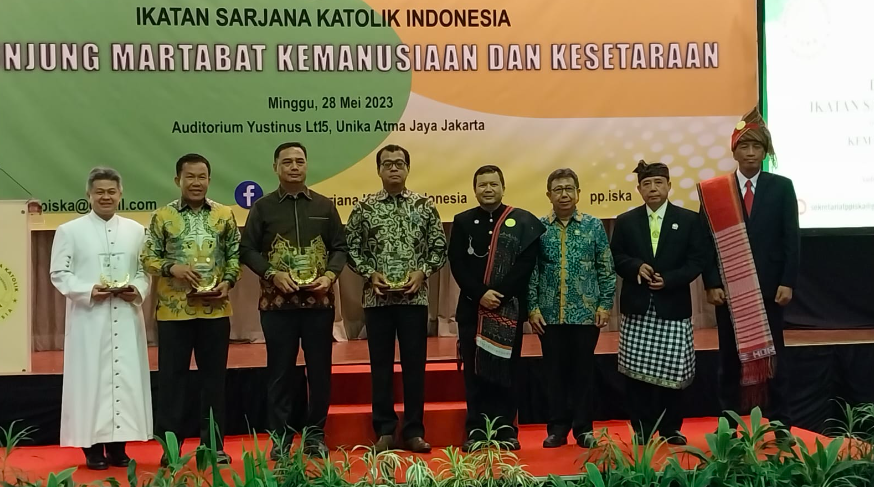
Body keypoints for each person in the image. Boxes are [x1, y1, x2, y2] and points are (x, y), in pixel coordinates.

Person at [698, 108, 800, 443]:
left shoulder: (782, 187)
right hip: (730, 291)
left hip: (770, 290)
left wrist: (788, 281)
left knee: (774, 357)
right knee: (728, 358)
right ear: (734, 151)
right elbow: (705, 244)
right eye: (745, 147)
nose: (751, 153)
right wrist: (711, 283)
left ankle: (780, 421)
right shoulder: (716, 193)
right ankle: (727, 421)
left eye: (757, 147)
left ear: (766, 151)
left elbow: (791, 239)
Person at [240, 142, 348, 459]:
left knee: (319, 372)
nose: (294, 166)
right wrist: (272, 274)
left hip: (318, 304)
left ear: (307, 165)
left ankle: (315, 435)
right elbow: (247, 249)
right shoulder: (263, 207)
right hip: (278, 306)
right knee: (279, 373)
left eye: (299, 161)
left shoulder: (325, 206)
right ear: (276, 167)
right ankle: (281, 438)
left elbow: (340, 248)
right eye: (287, 161)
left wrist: (329, 276)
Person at [345, 144, 447, 453]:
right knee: (381, 367)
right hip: (377, 301)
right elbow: (350, 248)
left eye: (399, 163)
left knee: (415, 367)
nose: (393, 168)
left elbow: (438, 247)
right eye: (387, 164)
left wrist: (423, 272)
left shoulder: (424, 206)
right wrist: (368, 273)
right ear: (378, 170)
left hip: (414, 301)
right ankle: (385, 430)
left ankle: (414, 431)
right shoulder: (364, 208)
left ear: (407, 168)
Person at [49, 167, 152, 470]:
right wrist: (89, 290)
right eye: (100, 192)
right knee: (90, 381)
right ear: (89, 195)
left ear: (121, 194)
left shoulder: (136, 230)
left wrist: (138, 289)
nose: (105, 197)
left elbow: (145, 271)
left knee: (126, 380)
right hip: (89, 319)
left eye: (111, 191)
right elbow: (59, 273)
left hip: (126, 313)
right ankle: (91, 449)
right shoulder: (70, 231)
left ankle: (119, 449)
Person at [141, 153, 241, 465]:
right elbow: (147, 257)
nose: (196, 183)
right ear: (177, 180)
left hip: (216, 310)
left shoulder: (224, 215)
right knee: (172, 382)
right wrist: (172, 268)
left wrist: (228, 282)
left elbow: (234, 256)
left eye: (202, 177)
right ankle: (171, 449)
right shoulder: (162, 217)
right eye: (190, 177)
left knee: (214, 381)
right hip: (174, 312)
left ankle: (214, 447)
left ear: (209, 180)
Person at [610, 161, 709, 445]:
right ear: (639, 189)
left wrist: (671, 279)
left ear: (669, 185)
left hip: (673, 304)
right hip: (638, 306)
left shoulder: (688, 220)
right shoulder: (627, 221)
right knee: (636, 375)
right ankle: (641, 428)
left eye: (658, 183)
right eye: (647, 184)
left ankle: (670, 428)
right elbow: (616, 256)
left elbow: (697, 260)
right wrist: (635, 267)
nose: (653, 189)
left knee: (672, 372)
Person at [448, 165, 545, 452]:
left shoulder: (522, 221)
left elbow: (526, 264)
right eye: (482, 185)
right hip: (472, 310)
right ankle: (477, 430)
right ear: (474, 189)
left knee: (507, 371)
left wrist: (500, 296)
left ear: (503, 187)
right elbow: (458, 263)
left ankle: (505, 430)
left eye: (493, 184)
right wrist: (480, 294)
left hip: (508, 310)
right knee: (475, 372)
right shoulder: (463, 221)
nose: (488, 189)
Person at [527, 168, 615, 449]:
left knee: (583, 373)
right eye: (558, 189)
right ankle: (557, 428)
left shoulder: (593, 226)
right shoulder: (539, 227)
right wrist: (532, 308)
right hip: (549, 315)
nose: (563, 194)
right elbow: (532, 272)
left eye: (569, 189)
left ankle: (583, 429)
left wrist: (605, 304)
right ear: (548, 194)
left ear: (578, 192)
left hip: (585, 313)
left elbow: (606, 268)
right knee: (553, 374)